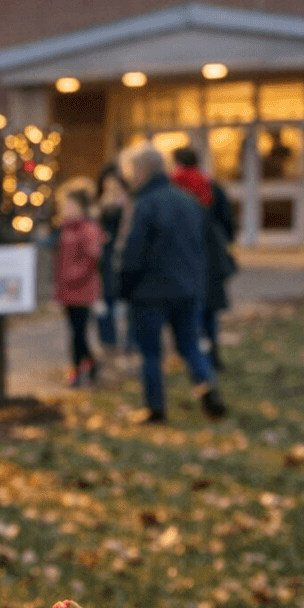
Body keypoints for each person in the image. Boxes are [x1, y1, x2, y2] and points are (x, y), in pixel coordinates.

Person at [117, 143, 227, 423]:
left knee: (151, 351)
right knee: (190, 344)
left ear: (142, 170)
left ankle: (155, 407)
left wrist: (124, 286)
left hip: (151, 291)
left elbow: (133, 252)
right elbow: (204, 247)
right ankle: (207, 390)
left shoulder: (145, 204)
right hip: (188, 288)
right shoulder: (189, 201)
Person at [170, 147, 237, 369]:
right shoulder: (210, 185)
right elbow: (227, 220)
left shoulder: (172, 187)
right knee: (209, 310)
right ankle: (212, 354)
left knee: (188, 309)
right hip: (211, 252)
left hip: (181, 253)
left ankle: (191, 353)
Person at [53, 180, 106, 386]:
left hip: (82, 288)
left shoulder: (88, 228)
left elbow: (91, 257)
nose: (65, 209)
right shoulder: (65, 228)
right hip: (67, 289)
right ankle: (89, 364)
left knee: (78, 332)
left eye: (69, 205)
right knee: (74, 331)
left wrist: (74, 275)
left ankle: (78, 368)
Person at [93, 162, 130, 352]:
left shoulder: (129, 205)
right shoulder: (99, 206)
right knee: (105, 299)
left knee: (127, 299)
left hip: (124, 256)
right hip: (105, 258)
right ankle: (108, 341)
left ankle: (131, 342)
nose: (112, 189)